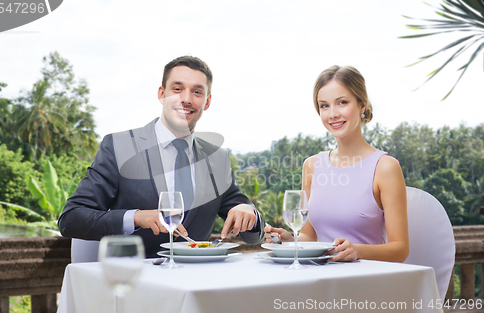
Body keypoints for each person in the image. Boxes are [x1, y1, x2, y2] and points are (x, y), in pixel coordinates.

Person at [59, 56, 265, 258]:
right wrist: (137, 217)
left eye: (197, 92)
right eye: (177, 89)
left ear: (207, 102)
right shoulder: (118, 146)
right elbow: (71, 219)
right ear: (161, 94)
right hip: (132, 283)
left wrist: (249, 213)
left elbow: (252, 236)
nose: (186, 99)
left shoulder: (217, 159)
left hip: (196, 283)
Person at [265, 65, 409, 262]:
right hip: (321, 278)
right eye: (324, 106)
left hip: (367, 280)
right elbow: (310, 237)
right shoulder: (312, 165)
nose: (332, 114)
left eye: (342, 102)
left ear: (361, 105)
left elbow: (400, 249)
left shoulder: (385, 167)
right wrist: (289, 239)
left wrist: (358, 251)